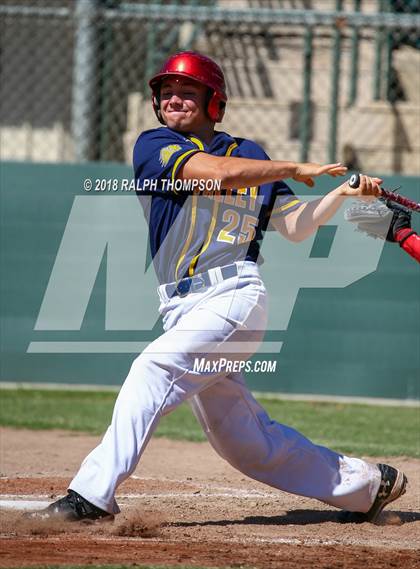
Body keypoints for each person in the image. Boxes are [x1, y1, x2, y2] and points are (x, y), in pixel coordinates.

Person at [27, 51, 407, 523]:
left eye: (188, 92)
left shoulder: (251, 154)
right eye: (166, 92)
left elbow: (295, 226)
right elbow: (214, 173)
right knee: (242, 441)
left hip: (233, 297)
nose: (173, 99)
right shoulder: (154, 144)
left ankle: (90, 496)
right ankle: (367, 486)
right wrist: (290, 167)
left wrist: (339, 196)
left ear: (215, 104)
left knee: (153, 368)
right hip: (183, 308)